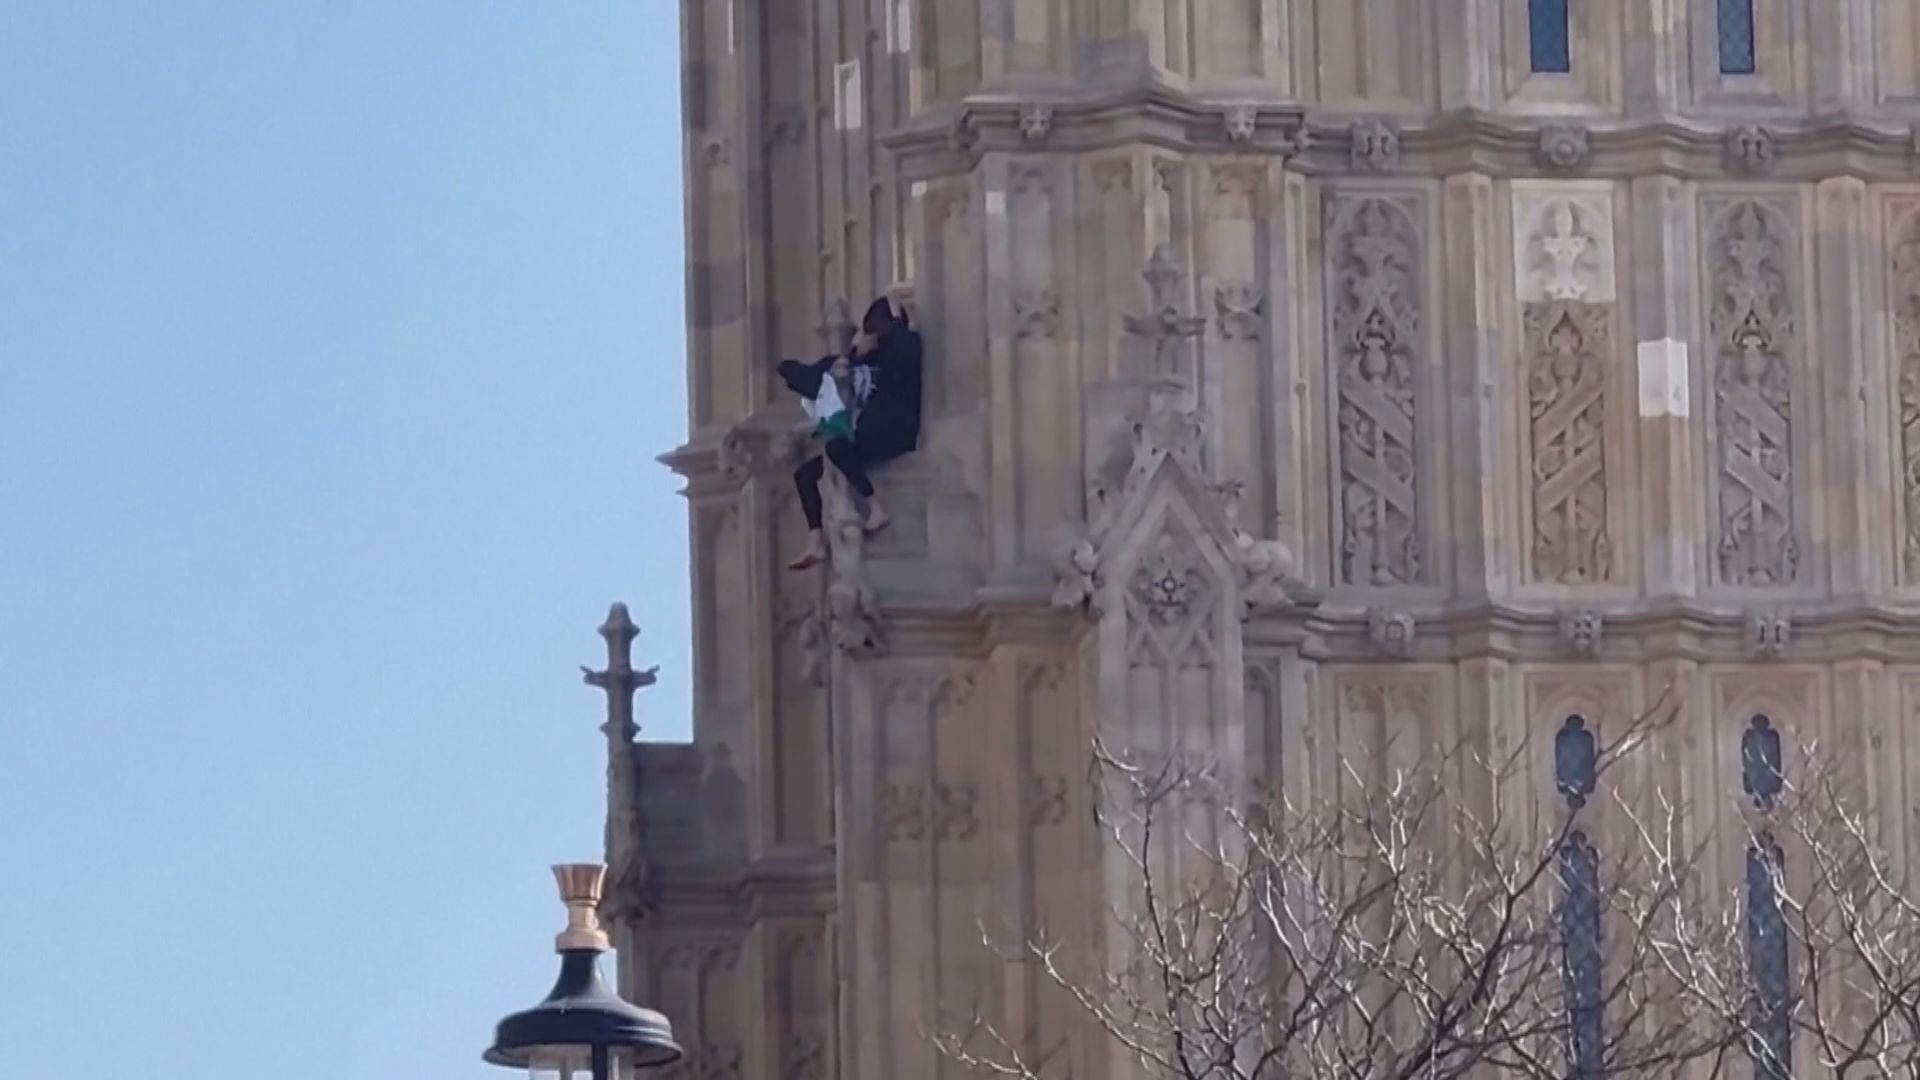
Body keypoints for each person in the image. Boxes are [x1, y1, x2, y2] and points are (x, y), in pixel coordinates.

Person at [787, 294, 923, 571]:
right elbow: (814, 372)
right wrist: (853, 354)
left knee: (838, 448)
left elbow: (901, 345)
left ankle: (876, 508)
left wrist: (891, 326)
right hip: (873, 432)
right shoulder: (874, 355)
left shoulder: (906, 345)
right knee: (806, 474)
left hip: (895, 430)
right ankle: (816, 541)